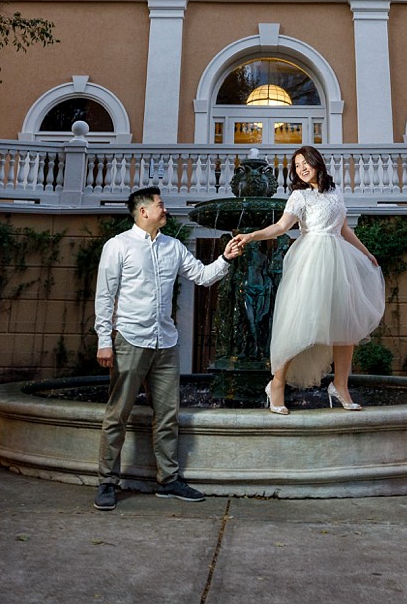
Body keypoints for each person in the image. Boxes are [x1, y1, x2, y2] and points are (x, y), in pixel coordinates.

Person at [93, 186, 242, 511]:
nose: (165, 209)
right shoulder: (118, 246)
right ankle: (107, 481)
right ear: (143, 211)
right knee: (118, 413)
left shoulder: (173, 247)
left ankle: (168, 480)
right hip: (130, 339)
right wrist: (105, 340)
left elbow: (202, 277)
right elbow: (105, 296)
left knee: (168, 415)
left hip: (165, 342)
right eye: (160, 205)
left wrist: (225, 258)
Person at [226, 146, 384, 415]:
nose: (301, 168)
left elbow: (344, 229)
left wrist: (366, 253)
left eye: (304, 163)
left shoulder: (335, 193)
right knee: (299, 325)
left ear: (316, 162)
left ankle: (340, 386)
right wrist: (251, 236)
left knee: (345, 325)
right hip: (311, 261)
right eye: (297, 165)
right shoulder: (299, 196)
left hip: (339, 261)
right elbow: (280, 227)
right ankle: (276, 384)